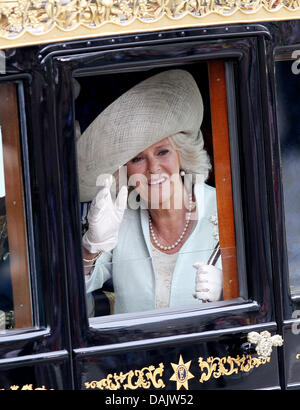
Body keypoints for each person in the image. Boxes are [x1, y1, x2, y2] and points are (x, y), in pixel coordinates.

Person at [76, 69, 223, 316]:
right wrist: (91, 246)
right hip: (135, 354)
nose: (153, 168)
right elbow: (78, 287)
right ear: (123, 171)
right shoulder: (119, 219)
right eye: (137, 158)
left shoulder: (227, 209)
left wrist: (230, 291)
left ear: (181, 154)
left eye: (162, 151)